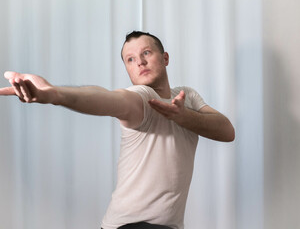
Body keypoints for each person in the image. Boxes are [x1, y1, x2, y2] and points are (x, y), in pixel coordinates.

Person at [0, 31, 235, 229]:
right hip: (128, 226)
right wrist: (55, 94)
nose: (139, 62)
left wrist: (184, 116)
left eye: (146, 53)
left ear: (165, 58)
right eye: (130, 60)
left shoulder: (187, 95)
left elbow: (226, 131)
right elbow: (108, 98)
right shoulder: (141, 97)